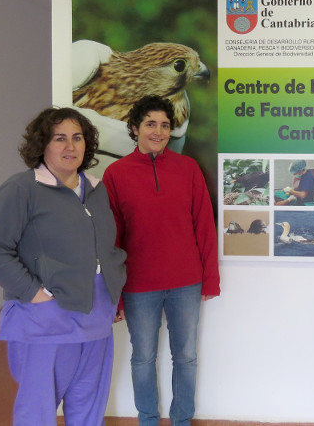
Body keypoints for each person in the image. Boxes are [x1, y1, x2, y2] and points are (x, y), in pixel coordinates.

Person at [0, 107, 127, 426]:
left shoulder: (97, 190)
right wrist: (35, 294)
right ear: (42, 144)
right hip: (45, 322)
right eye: (59, 138)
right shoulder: (21, 189)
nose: (70, 146)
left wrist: (113, 287)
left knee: (88, 409)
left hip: (96, 319)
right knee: (38, 413)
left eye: (77, 138)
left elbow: (107, 247)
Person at [103, 95, 220, 426]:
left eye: (165, 125)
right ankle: (148, 420)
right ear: (134, 128)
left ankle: (182, 420)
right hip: (139, 285)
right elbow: (112, 240)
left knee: (186, 356)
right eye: (151, 124)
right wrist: (115, 295)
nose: (158, 131)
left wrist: (210, 278)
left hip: (186, 281)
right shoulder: (115, 174)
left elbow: (204, 227)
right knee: (142, 358)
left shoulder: (189, 169)